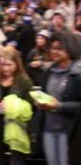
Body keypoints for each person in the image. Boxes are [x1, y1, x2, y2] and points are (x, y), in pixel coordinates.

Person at [0, 46, 34, 165]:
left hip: (18, 130)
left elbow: (31, 107)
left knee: (17, 161)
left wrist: (14, 108)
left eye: (9, 65)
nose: (5, 68)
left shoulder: (25, 81)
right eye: (3, 64)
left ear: (16, 63)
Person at [36, 31, 81, 165]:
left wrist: (58, 106)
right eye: (53, 48)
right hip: (48, 129)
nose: (54, 51)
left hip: (70, 132)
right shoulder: (49, 72)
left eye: (59, 48)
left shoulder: (78, 73)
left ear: (70, 48)